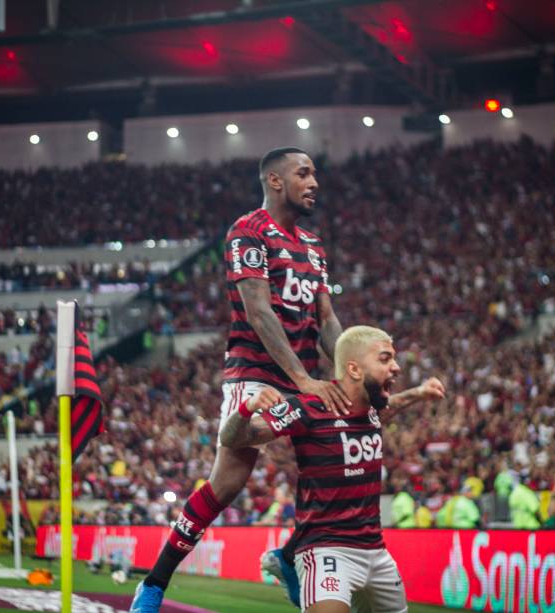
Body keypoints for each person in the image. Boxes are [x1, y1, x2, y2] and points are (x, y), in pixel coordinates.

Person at [133, 147, 350, 612]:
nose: (315, 182)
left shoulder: (314, 246)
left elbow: (327, 320)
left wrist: (352, 371)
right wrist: (303, 378)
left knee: (342, 463)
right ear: (275, 181)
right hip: (254, 373)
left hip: (302, 378)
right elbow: (257, 310)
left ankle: (288, 557)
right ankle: (153, 584)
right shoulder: (248, 232)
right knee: (226, 486)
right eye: (304, 173)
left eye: (315, 174)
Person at [219, 325, 446, 612]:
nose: (396, 367)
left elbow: (388, 409)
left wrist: (419, 393)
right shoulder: (309, 408)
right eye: (385, 358)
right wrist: (246, 407)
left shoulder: (372, 412)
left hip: (376, 552)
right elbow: (231, 438)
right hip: (326, 549)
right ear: (354, 369)